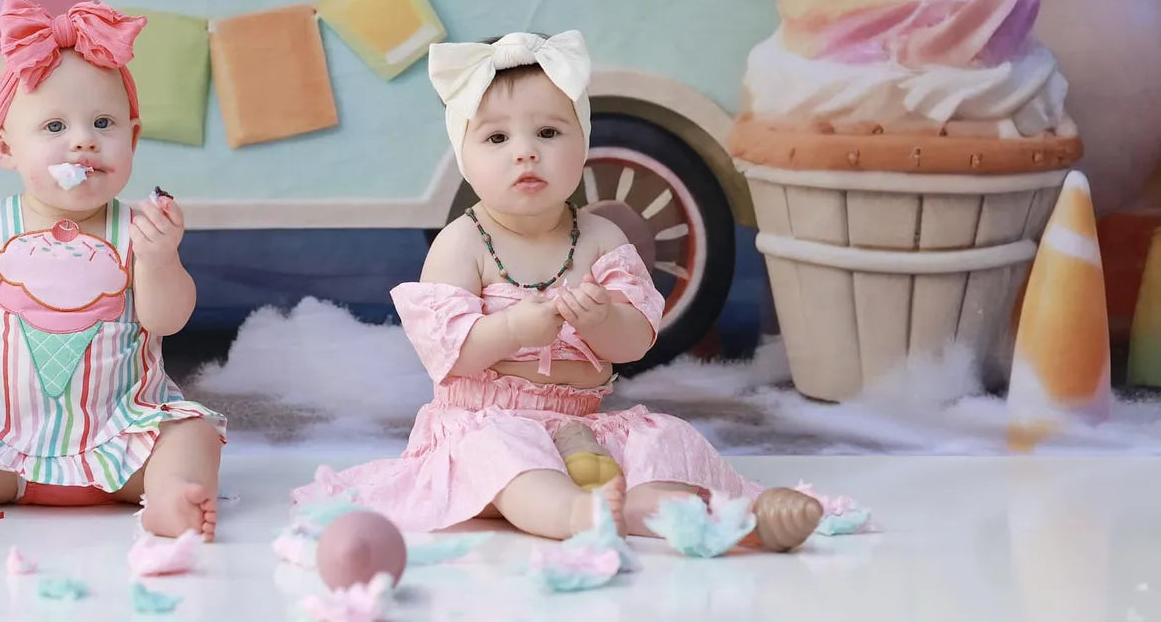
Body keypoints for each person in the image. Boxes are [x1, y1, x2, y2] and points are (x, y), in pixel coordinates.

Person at [293, 31, 826, 550]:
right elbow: (448, 355)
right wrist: (513, 328)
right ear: (465, 156)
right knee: (505, 460)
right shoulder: (462, 244)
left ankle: (711, 515)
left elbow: (635, 341)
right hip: (485, 423)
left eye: (548, 133)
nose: (525, 153)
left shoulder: (600, 237)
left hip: (585, 424)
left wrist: (603, 321)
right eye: (497, 138)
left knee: (658, 445)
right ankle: (573, 513)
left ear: (583, 143)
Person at [0, 0, 225, 544]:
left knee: (194, 433)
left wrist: (161, 259)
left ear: (133, 138)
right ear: (5, 146)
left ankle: (168, 497)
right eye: (53, 127)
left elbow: (166, 320)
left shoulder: (137, 229)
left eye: (103, 122)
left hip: (121, 445)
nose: (83, 139)